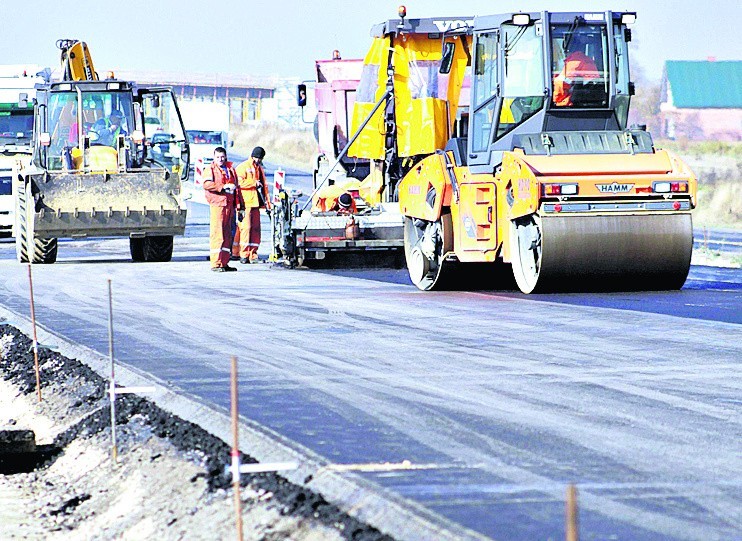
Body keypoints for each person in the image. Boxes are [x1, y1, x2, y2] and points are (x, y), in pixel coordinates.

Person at [202, 147, 242, 272]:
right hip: (218, 205)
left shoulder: (230, 169)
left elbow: (237, 190)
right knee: (217, 234)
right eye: (218, 157)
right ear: (214, 158)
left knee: (228, 235)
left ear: (226, 157)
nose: (220, 159)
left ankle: (224, 262)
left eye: (222, 157)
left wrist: (240, 207)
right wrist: (222, 187)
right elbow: (206, 184)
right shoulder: (211, 169)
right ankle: (216, 263)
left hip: (229, 206)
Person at [233, 146, 271, 264]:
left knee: (255, 229)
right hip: (246, 203)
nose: (258, 160)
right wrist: (253, 183)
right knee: (246, 228)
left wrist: (267, 203)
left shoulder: (259, 168)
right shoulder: (243, 167)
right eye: (257, 158)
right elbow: (239, 182)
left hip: (256, 203)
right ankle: (243, 254)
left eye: (260, 158)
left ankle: (253, 254)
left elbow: (264, 187)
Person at [552, 34, 600, 107]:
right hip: (586, 100)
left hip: (570, 104)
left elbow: (561, 85)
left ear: (567, 48)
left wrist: (554, 100)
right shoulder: (587, 60)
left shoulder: (575, 61)